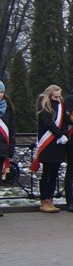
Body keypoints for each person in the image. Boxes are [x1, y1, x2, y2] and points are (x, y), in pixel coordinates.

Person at [32, 85, 68, 213]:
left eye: (59, 96)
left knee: (54, 173)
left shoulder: (61, 106)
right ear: (49, 95)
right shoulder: (45, 106)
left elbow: (64, 122)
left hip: (58, 144)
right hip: (48, 143)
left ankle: (50, 199)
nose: (58, 99)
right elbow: (48, 123)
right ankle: (44, 200)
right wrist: (59, 135)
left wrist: (63, 135)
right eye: (55, 97)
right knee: (47, 173)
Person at [0, 81, 14, 217]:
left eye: (2, 92)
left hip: (2, 149)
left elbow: (11, 130)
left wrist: (11, 150)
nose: (0, 94)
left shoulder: (7, 109)